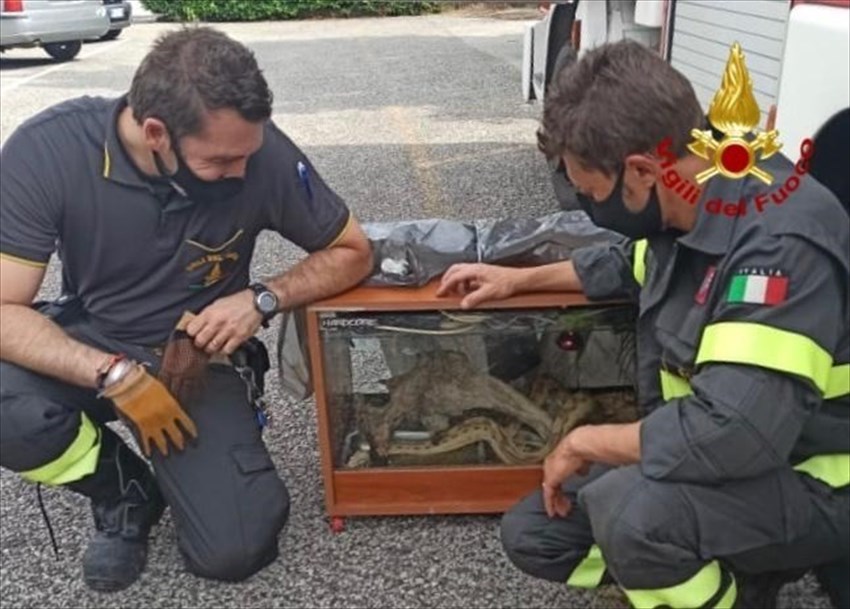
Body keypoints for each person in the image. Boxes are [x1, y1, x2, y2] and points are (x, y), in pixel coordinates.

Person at [437, 40, 849, 609]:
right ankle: (720, 572)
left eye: (591, 192)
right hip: (731, 462)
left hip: (816, 476)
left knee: (634, 517)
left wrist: (586, 441)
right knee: (537, 533)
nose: (588, 205)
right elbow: (627, 266)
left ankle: (726, 583)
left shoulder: (779, 243)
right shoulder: (693, 191)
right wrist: (515, 279)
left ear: (641, 170)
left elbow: (733, 435)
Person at [0, 26, 373, 592]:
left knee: (235, 551)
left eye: (248, 153)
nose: (243, 172)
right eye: (221, 160)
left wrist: (261, 298)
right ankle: (123, 492)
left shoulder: (256, 148)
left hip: (196, 358)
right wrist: (113, 374)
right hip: (96, 341)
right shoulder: (49, 150)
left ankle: (203, 464)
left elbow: (353, 252)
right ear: (156, 133)